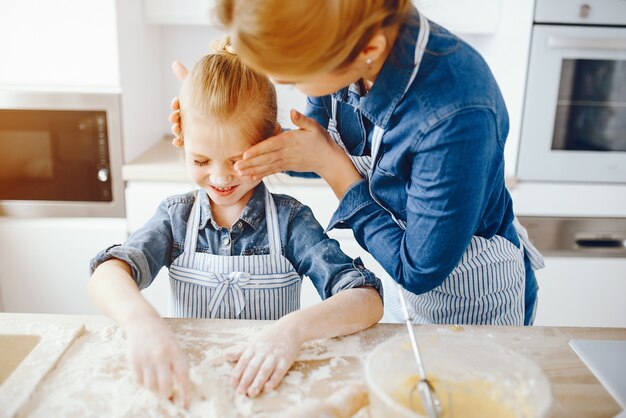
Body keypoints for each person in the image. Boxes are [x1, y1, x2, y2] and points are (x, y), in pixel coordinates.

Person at [170, 0, 545, 327]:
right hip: (395, 290)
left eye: (297, 75)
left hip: (472, 300)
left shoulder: (456, 115)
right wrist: (218, 126)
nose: (287, 82)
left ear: (368, 48)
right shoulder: (348, 56)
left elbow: (418, 269)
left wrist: (334, 169)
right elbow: (314, 144)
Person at [89, 38, 384, 405]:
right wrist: (141, 322)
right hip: (191, 390)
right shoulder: (175, 219)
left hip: (269, 393)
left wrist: (290, 332)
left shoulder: (290, 221)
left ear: (271, 143)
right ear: (182, 141)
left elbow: (367, 300)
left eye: (237, 160)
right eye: (200, 161)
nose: (220, 177)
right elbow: (107, 274)